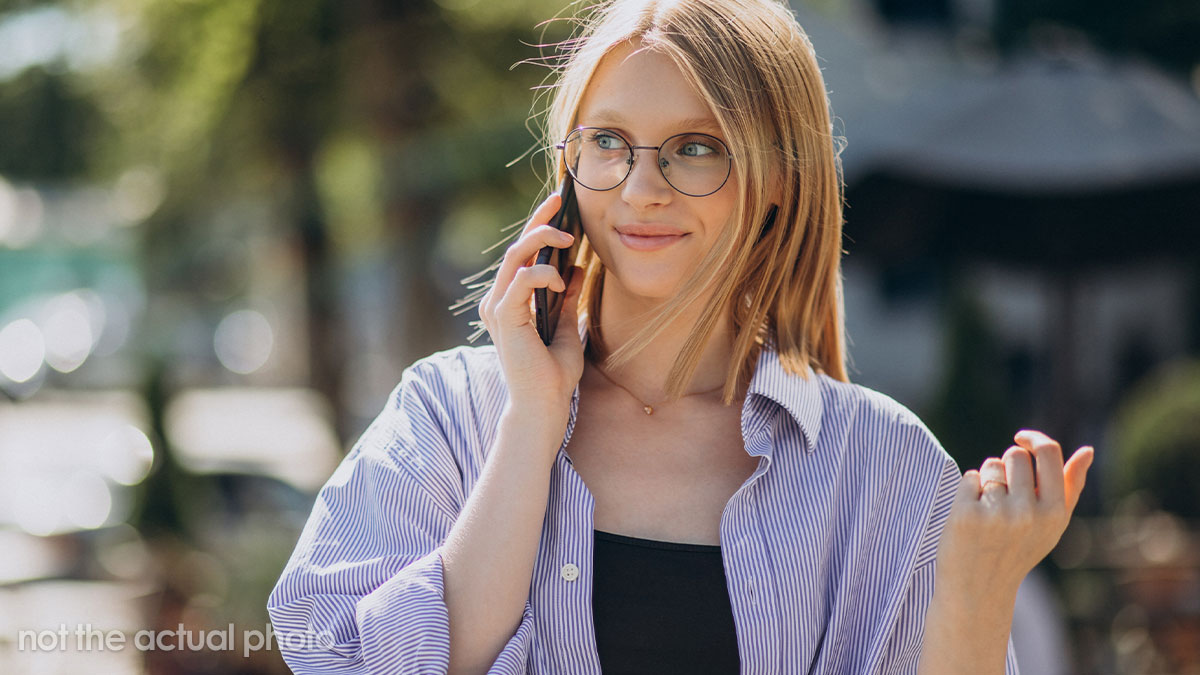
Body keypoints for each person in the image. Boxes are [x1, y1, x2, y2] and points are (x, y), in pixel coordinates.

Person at [266, 0, 1094, 673]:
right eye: (608, 143)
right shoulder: (447, 415)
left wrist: (982, 593)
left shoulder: (881, 463)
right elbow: (343, 661)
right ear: (566, 169)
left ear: (778, 178)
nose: (642, 187)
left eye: (696, 149)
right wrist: (529, 426)